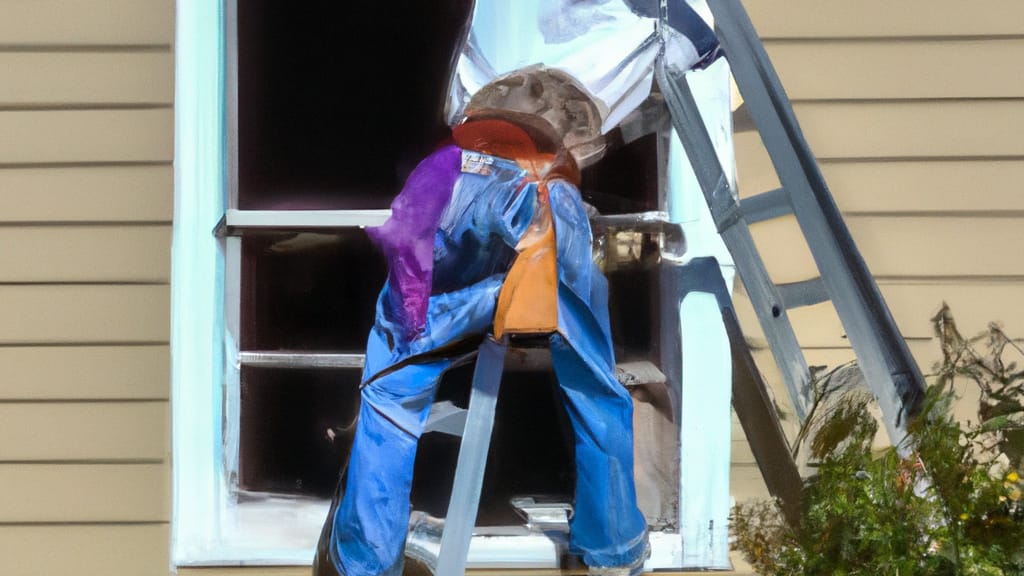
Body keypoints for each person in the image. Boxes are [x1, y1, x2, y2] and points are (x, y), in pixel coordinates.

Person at [315, 66, 650, 576]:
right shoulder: (551, 177)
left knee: (388, 395)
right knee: (594, 383)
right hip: (536, 229)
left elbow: (403, 244)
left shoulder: (440, 164)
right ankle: (614, 546)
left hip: (456, 299)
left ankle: (364, 561)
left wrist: (411, 330)